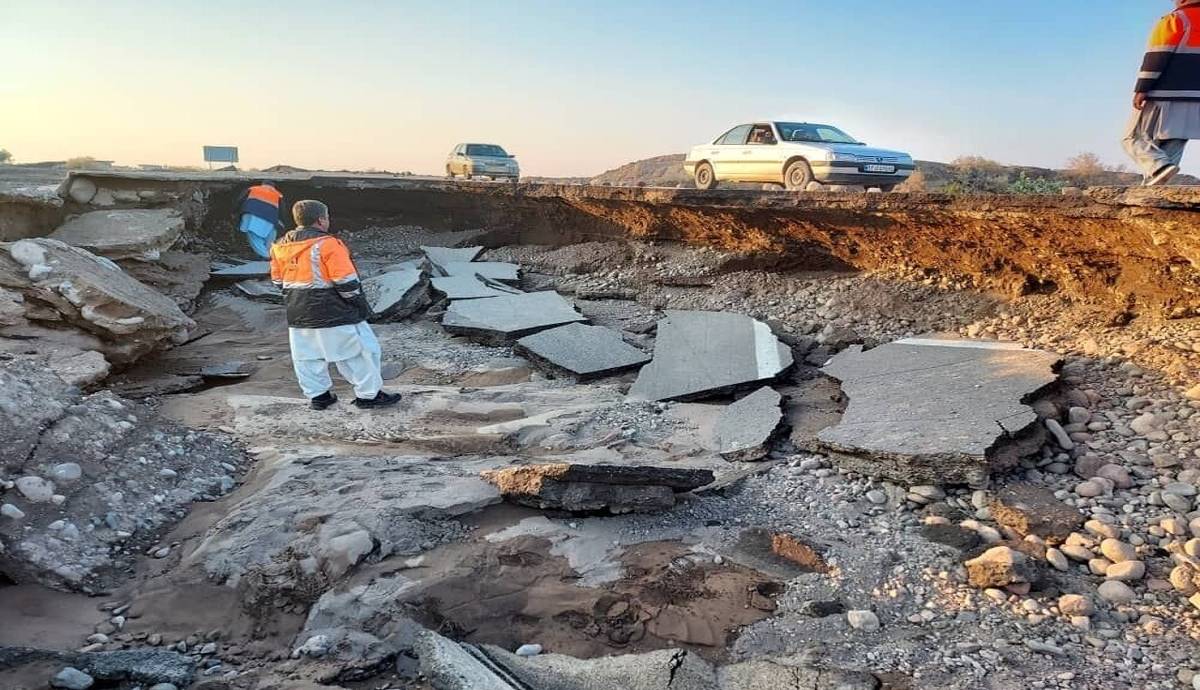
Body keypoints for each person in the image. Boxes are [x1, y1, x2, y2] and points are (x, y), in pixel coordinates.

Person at [269, 199, 400, 410]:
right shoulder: (328, 244)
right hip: (334, 309)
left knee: (307, 356)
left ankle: (319, 397)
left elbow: (277, 281)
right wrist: (360, 306)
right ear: (321, 220)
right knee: (360, 351)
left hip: (298, 311)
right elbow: (346, 282)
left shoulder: (279, 246)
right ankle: (368, 396)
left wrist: (298, 297)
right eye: (327, 217)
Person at [1123, 0, 1200, 185]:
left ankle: (1159, 168)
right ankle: (1155, 186)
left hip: (1164, 92)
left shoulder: (1175, 19)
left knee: (1133, 137)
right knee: (1175, 139)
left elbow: (1157, 55)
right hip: (1195, 96)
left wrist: (1142, 87)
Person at [235, 181, 286, 257]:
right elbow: (282, 211)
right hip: (270, 219)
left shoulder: (252, 189)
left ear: (262, 184)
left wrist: (236, 212)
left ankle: (266, 256)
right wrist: (282, 221)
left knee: (254, 237)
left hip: (251, 216)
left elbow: (239, 201)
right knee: (269, 238)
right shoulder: (278, 194)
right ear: (273, 187)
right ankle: (271, 254)